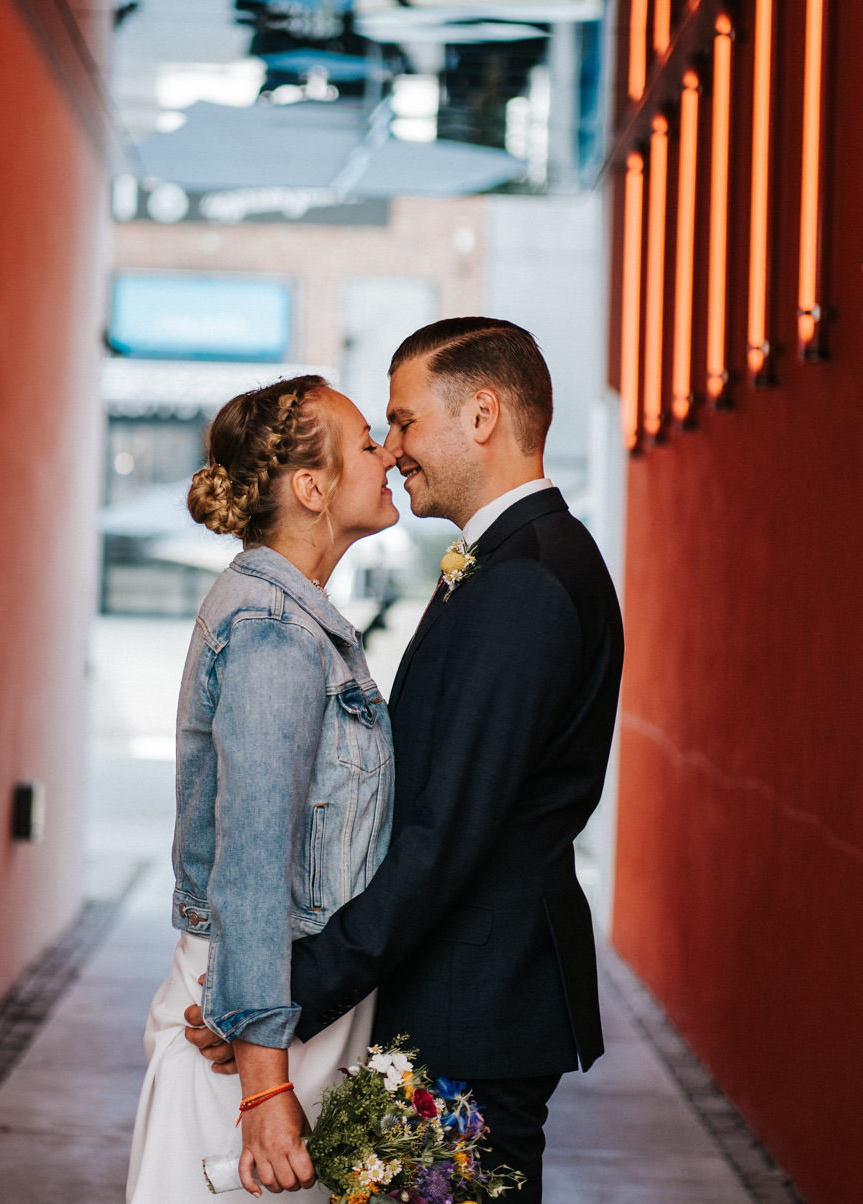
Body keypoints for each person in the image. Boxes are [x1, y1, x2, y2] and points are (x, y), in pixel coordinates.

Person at [187, 319, 624, 1204]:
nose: (392, 450)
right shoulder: (507, 563)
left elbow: (444, 836)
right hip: (456, 1000)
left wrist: (288, 995)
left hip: (474, 1009)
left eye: (405, 420)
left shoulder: (527, 582)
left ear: (483, 415)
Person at [126, 374, 399, 1204]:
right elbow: (250, 865)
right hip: (255, 1033)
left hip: (275, 1015)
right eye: (364, 443)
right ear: (311, 488)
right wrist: (263, 1087)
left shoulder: (295, 620)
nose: (386, 453)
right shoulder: (274, 634)